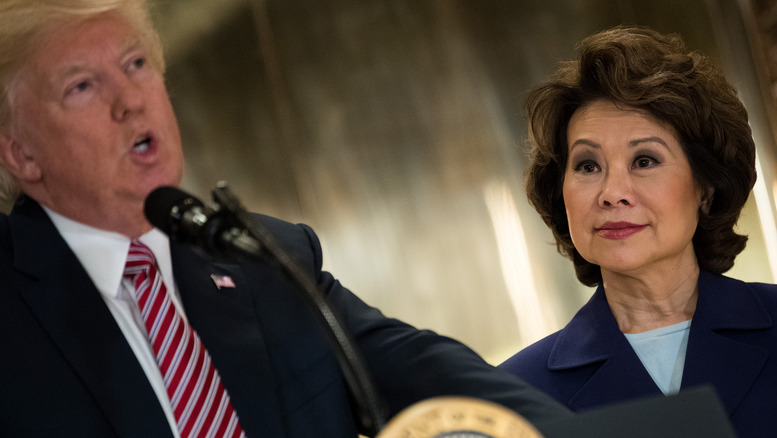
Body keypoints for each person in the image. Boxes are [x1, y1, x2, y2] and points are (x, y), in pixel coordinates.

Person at [0, 1, 574, 437]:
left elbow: (446, 384)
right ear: (20, 152)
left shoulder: (263, 258)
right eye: (82, 86)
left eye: (136, 64)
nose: (130, 100)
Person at [499, 25, 777, 437]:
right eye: (587, 166)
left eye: (645, 160)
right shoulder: (514, 398)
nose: (612, 193)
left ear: (705, 187)